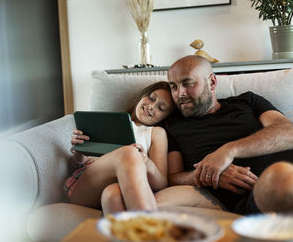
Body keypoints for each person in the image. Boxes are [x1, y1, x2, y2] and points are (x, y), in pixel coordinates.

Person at [155, 55, 293, 214]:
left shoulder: (247, 101)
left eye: (188, 84)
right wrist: (207, 174)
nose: (180, 94)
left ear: (212, 82)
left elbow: (288, 131)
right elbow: (172, 177)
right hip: (259, 192)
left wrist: (229, 151)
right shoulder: (171, 125)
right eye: (173, 87)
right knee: (280, 177)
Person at [66, 81, 174, 214]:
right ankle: (149, 227)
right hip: (90, 182)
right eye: (151, 98)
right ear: (142, 96)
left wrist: (145, 161)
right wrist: (79, 152)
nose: (152, 106)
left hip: (123, 188)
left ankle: (131, 231)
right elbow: (79, 162)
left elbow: (162, 183)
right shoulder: (112, 121)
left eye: (161, 108)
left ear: (167, 117)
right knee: (129, 152)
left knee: (113, 195)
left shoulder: (156, 133)